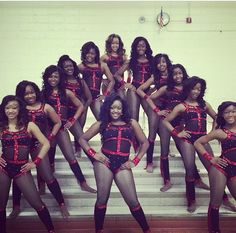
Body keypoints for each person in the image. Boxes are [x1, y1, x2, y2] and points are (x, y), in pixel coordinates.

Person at [79, 93, 151, 233]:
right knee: (102, 199)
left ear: (123, 109)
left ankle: (146, 230)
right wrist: (94, 154)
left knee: (133, 201)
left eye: (118, 108)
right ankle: (98, 230)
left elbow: (145, 143)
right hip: (104, 163)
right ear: (107, 108)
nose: (115, 111)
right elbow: (82, 139)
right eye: (112, 108)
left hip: (123, 164)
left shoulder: (132, 123)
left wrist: (135, 160)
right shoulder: (102, 123)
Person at [8, 80, 69, 220]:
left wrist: (52, 135)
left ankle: (61, 204)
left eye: (32, 92)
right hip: (22, 145)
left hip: (38, 145)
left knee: (48, 176)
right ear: (21, 96)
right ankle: (16, 207)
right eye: (26, 94)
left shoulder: (45, 107)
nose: (30, 96)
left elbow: (58, 122)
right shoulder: (19, 108)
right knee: (18, 174)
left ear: (36, 92)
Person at [0, 95, 55, 233]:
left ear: (19, 109)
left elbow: (46, 143)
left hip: (22, 168)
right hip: (4, 168)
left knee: (37, 203)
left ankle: (51, 230)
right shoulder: (1, 126)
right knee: (1, 205)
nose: (10, 111)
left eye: (14, 108)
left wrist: (35, 162)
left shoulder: (29, 125)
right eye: (7, 108)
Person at [162, 76, 217, 212]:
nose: (196, 91)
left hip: (202, 139)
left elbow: (217, 118)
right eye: (194, 88)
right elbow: (165, 121)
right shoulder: (181, 106)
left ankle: (224, 199)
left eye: (199, 89)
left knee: (214, 169)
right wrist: (177, 133)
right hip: (188, 139)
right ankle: (191, 200)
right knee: (190, 169)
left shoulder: (205, 105)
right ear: (188, 89)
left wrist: (211, 134)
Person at [41, 65, 96, 193]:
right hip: (47, 129)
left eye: (56, 76)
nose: (53, 79)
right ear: (46, 77)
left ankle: (83, 183)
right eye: (51, 76)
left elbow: (81, 106)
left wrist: (72, 120)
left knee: (71, 157)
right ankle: (42, 183)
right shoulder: (42, 94)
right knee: (46, 158)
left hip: (61, 129)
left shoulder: (66, 92)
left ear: (60, 78)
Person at [194, 101, 236, 233]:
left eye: (233, 111)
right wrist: (210, 158)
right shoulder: (220, 132)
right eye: (226, 112)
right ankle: (214, 230)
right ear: (222, 115)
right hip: (221, 168)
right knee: (215, 203)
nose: (230, 114)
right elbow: (198, 142)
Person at [136, 54, 172, 173]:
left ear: (167, 63)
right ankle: (149, 162)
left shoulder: (174, 75)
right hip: (156, 107)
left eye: (163, 62)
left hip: (169, 109)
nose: (161, 64)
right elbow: (139, 90)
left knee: (168, 133)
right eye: (158, 63)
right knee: (152, 135)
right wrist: (149, 97)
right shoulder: (154, 77)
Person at [57, 54, 92, 157]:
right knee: (77, 132)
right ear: (62, 69)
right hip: (67, 112)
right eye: (66, 67)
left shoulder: (80, 81)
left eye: (71, 65)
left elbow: (89, 98)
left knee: (79, 131)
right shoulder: (61, 82)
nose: (69, 68)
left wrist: (84, 109)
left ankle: (78, 148)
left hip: (80, 111)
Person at [114, 36, 153, 121]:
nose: (141, 48)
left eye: (143, 46)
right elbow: (117, 74)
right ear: (135, 48)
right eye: (138, 46)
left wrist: (152, 89)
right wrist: (126, 84)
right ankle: (133, 134)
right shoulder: (131, 61)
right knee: (134, 117)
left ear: (146, 47)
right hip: (134, 90)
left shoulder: (151, 61)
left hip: (145, 90)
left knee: (152, 115)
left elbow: (156, 77)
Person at [78, 41, 115, 120]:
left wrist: (105, 94)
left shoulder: (102, 65)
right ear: (84, 53)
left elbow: (112, 81)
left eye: (92, 53)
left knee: (102, 119)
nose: (90, 55)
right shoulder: (81, 66)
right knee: (81, 120)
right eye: (88, 53)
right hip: (83, 97)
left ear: (96, 54)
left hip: (96, 97)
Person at [100, 33, 128, 100]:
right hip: (109, 85)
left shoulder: (123, 57)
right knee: (110, 103)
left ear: (120, 44)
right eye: (113, 43)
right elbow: (97, 71)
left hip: (120, 85)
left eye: (117, 43)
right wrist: (102, 80)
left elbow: (129, 71)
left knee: (123, 102)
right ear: (109, 44)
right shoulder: (105, 57)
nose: (115, 45)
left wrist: (125, 83)